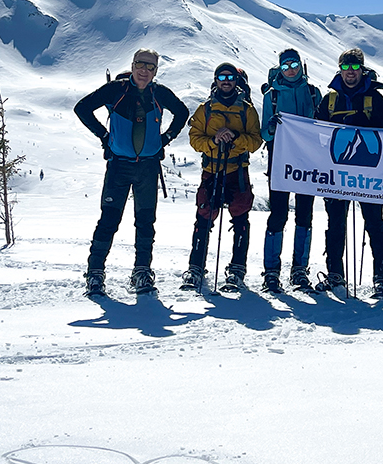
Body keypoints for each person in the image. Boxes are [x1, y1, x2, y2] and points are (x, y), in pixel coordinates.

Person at [74, 48, 190, 297]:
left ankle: (142, 272)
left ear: (156, 71)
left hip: (147, 167)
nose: (145, 71)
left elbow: (182, 112)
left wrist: (166, 138)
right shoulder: (117, 89)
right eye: (141, 64)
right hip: (119, 166)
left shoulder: (159, 93)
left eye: (151, 67)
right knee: (109, 220)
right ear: (133, 64)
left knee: (146, 222)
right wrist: (104, 137)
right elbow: (82, 108)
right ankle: (95, 274)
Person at [313, 48, 383, 298]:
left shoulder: (376, 99)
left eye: (355, 68)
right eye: (346, 68)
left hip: (369, 173)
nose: (350, 73)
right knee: (335, 224)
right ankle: (335, 273)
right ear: (340, 70)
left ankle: (381, 277)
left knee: (375, 224)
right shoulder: (329, 100)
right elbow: (316, 132)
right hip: (337, 174)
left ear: (362, 69)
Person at [181, 62, 263, 292]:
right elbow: (195, 139)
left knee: (239, 219)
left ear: (236, 81)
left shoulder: (247, 110)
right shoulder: (204, 109)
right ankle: (196, 267)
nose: (226, 80)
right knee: (204, 218)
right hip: (212, 170)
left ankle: (237, 269)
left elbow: (256, 141)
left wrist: (235, 137)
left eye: (229, 77)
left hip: (236, 171)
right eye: (221, 76)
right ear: (216, 80)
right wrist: (214, 141)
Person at [260, 48, 322, 293]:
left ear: (300, 65)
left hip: (307, 162)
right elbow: (264, 133)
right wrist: (273, 127)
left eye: (294, 64)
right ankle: (272, 271)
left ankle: (299, 269)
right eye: (285, 66)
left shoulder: (313, 93)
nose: (290, 69)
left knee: (304, 214)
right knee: (278, 214)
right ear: (279, 68)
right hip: (281, 161)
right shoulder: (272, 95)